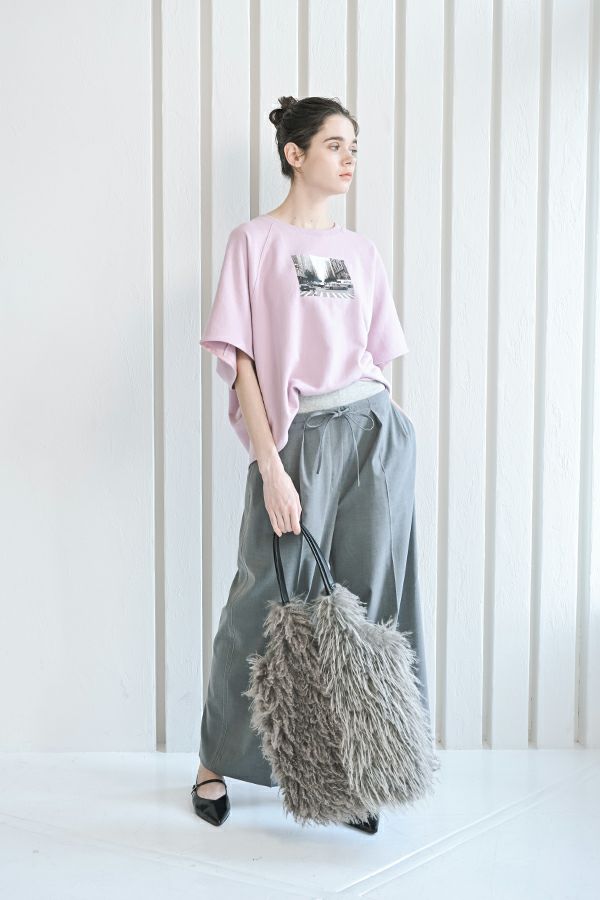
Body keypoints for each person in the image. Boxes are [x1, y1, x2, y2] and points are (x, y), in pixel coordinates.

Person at [192, 95, 430, 834]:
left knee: (365, 599)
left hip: (374, 433)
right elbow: (243, 363)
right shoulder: (254, 242)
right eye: (334, 144)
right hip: (298, 440)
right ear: (294, 155)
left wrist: (388, 431)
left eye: (354, 145)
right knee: (262, 596)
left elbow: (376, 354)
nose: (349, 158)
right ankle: (214, 758)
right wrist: (271, 466)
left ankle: (348, 773)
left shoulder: (361, 252)